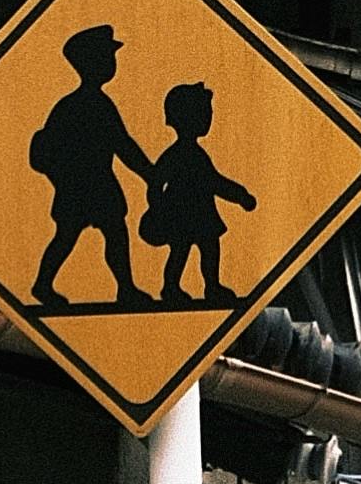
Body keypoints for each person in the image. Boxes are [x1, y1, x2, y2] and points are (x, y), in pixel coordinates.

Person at [27, 24, 144, 306]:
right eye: (107, 57)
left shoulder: (81, 103)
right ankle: (44, 284)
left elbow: (122, 145)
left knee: (110, 232)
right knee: (73, 236)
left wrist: (149, 173)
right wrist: (150, 173)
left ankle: (125, 287)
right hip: (84, 185)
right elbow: (123, 145)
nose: (111, 63)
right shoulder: (88, 104)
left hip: (93, 184)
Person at [140, 82, 259, 307]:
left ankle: (211, 285)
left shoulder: (196, 154)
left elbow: (215, 181)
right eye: (204, 112)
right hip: (183, 213)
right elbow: (157, 182)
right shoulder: (179, 154)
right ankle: (171, 286)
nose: (209, 118)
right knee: (182, 249)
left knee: (209, 248)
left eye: (209, 112)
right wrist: (157, 209)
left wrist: (240, 195)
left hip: (201, 212)